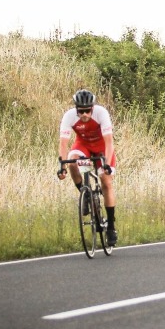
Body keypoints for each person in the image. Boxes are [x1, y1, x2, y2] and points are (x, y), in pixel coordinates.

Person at [57, 89, 119, 246]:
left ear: (92, 108)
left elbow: (109, 141)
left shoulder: (101, 113)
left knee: (106, 181)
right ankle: (86, 196)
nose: (84, 114)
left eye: (87, 110)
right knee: (71, 162)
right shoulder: (69, 116)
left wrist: (106, 164)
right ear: (76, 108)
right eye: (81, 111)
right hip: (83, 144)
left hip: (101, 147)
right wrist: (62, 165)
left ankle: (111, 227)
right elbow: (63, 143)